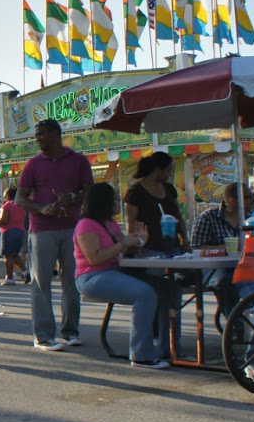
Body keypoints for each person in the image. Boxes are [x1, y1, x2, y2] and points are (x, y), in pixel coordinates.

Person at [16, 118, 94, 352]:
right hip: (41, 231)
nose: (37, 138)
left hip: (73, 229)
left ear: (55, 134)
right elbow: (20, 199)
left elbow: (89, 192)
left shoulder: (79, 161)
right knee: (41, 284)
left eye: (42, 134)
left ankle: (71, 331)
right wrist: (42, 208)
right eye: (37, 134)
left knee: (72, 282)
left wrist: (70, 199)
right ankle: (43, 336)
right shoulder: (33, 165)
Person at [73, 183, 170, 368]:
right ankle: (141, 355)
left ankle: (166, 347)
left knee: (164, 287)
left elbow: (121, 253)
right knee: (144, 293)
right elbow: (95, 258)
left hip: (114, 270)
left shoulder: (111, 223)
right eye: (115, 199)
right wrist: (125, 243)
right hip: (91, 277)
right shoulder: (86, 225)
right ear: (104, 202)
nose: (119, 202)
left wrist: (140, 241)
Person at [191, 182, 254, 312]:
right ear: (233, 200)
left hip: (245, 264)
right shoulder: (208, 217)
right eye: (248, 197)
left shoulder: (252, 218)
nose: (253, 201)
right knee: (225, 281)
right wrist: (226, 247)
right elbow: (196, 249)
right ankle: (235, 325)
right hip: (215, 267)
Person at [124, 152, 183, 255]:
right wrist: (136, 248)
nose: (169, 175)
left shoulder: (169, 188)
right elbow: (131, 223)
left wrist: (185, 240)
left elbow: (178, 215)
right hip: (149, 249)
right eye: (168, 170)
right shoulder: (136, 193)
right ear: (157, 170)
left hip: (174, 246)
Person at [0, 187, 30, 286]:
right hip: (20, 231)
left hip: (9, 231)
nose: (4, 197)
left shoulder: (7, 205)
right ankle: (26, 272)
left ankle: (9, 278)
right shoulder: (21, 206)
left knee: (8, 255)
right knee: (14, 254)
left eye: (5, 195)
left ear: (8, 195)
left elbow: (3, 220)